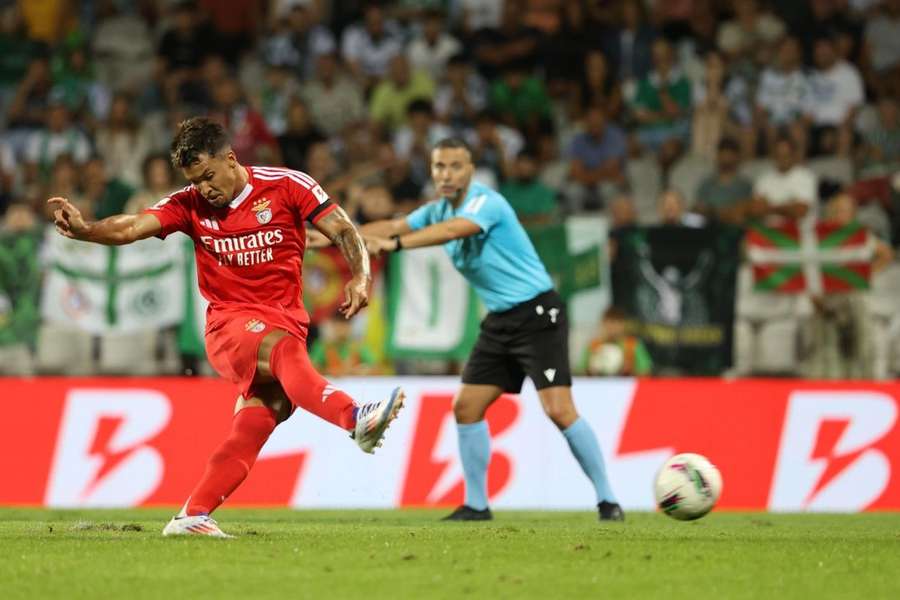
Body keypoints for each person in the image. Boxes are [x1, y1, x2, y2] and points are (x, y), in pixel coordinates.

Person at [48, 117, 404, 538]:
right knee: (280, 351)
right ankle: (354, 417)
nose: (204, 189)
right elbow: (131, 226)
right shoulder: (188, 204)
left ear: (231, 159)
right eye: (195, 181)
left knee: (260, 419)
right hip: (230, 325)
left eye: (208, 176)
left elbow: (344, 229)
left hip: (286, 318)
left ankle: (191, 515)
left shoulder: (289, 185)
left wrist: (361, 277)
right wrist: (87, 230)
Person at [363, 138, 623, 522]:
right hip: (501, 320)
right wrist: (336, 233)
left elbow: (453, 231)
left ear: (470, 171)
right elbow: (393, 223)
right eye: (439, 167)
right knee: (467, 406)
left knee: (559, 409)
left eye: (455, 166)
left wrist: (395, 245)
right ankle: (477, 505)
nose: (447, 174)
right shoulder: (434, 210)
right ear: (432, 172)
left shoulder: (487, 203)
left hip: (537, 313)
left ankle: (608, 500)